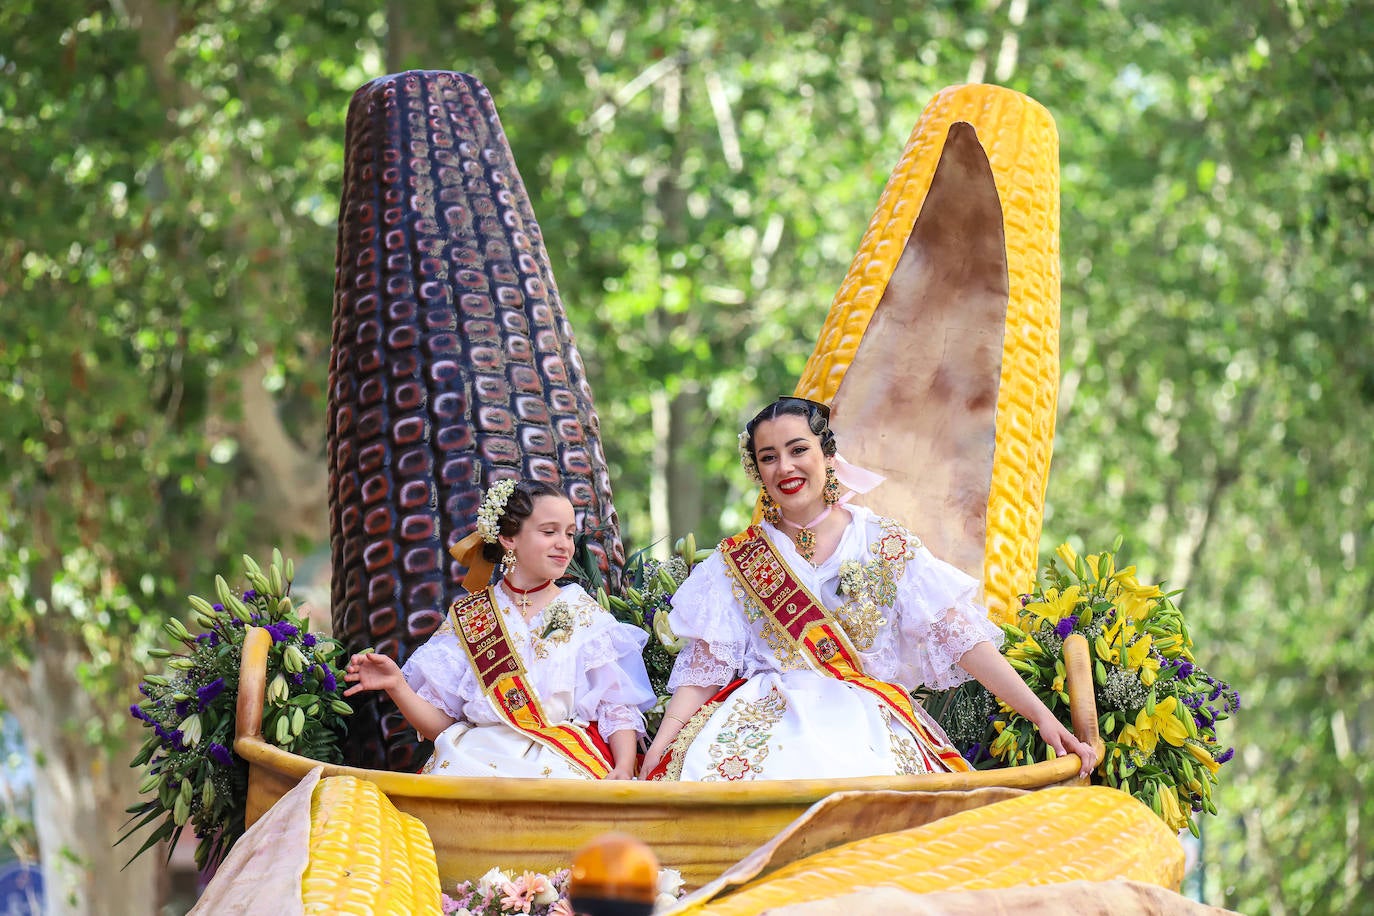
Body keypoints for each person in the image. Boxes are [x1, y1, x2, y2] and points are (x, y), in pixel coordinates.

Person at [639, 397, 1097, 782]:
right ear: (756, 469)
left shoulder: (882, 543)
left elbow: (961, 640)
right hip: (761, 722)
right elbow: (704, 670)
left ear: (827, 453)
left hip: (865, 723)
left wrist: (1044, 719)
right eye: (768, 457)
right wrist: (660, 749)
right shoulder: (737, 561)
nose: (786, 467)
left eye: (798, 449)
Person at [346, 478, 655, 780]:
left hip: (559, 759)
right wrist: (396, 685)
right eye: (549, 532)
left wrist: (625, 767)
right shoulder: (472, 616)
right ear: (510, 539)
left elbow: (615, 707)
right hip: (476, 760)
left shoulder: (583, 612)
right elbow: (441, 726)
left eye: (570, 534)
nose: (564, 544)